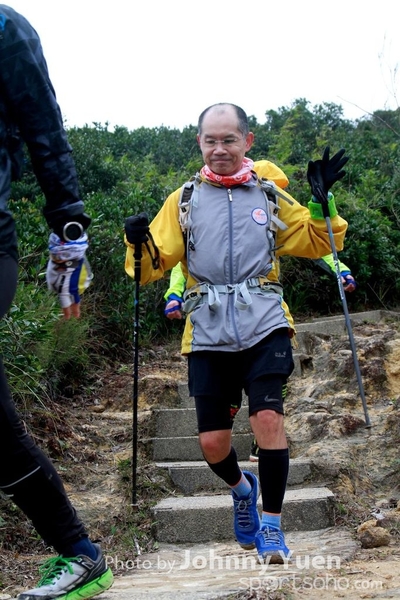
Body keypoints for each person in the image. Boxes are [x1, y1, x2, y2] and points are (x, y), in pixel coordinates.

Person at [124, 102, 349, 563]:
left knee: (267, 419)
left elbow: (317, 240)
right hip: (207, 329)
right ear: (199, 143)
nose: (220, 149)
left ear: (247, 141)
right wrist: (137, 241)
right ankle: (243, 489)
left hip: (264, 319)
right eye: (211, 140)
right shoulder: (184, 200)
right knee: (212, 443)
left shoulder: (269, 195)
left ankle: (272, 527)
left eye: (229, 140)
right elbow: (149, 268)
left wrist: (323, 202)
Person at [0, 6, 113, 599]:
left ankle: (79, 552)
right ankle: (79, 554)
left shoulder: (3, 28)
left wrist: (69, 234)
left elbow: (45, 131)